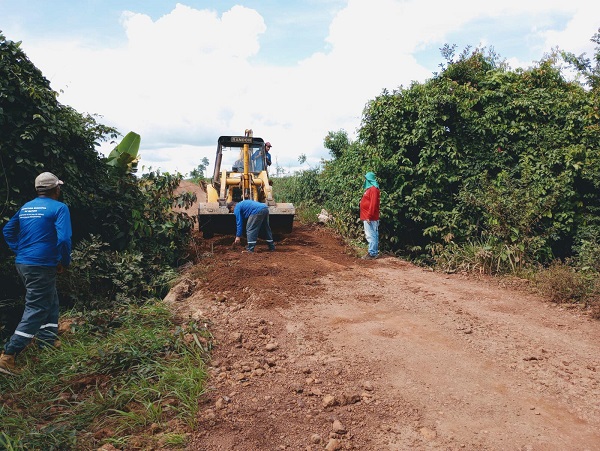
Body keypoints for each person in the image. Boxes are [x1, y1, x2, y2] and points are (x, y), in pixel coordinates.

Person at [0, 172, 72, 376]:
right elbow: (64, 239)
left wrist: (21, 249)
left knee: (51, 299)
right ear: (55, 189)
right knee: (37, 306)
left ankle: (47, 341)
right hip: (41, 264)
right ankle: (9, 354)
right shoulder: (59, 208)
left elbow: (7, 230)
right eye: (59, 187)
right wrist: (63, 261)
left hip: (23, 262)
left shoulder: (26, 207)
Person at [359, 171, 380, 259]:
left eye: (366, 179)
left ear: (369, 179)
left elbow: (373, 204)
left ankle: (372, 253)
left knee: (371, 234)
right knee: (370, 234)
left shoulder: (374, 189)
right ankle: (372, 252)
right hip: (368, 217)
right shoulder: (370, 189)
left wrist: (369, 216)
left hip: (370, 217)